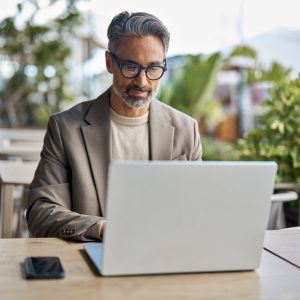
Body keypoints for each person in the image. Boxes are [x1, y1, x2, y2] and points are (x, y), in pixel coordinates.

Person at [26, 11, 202, 241]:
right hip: (93, 256)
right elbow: (41, 212)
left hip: (165, 254)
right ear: (109, 62)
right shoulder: (65, 128)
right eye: (130, 67)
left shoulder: (186, 130)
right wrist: (101, 229)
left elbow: (198, 209)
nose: (142, 81)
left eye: (153, 69)